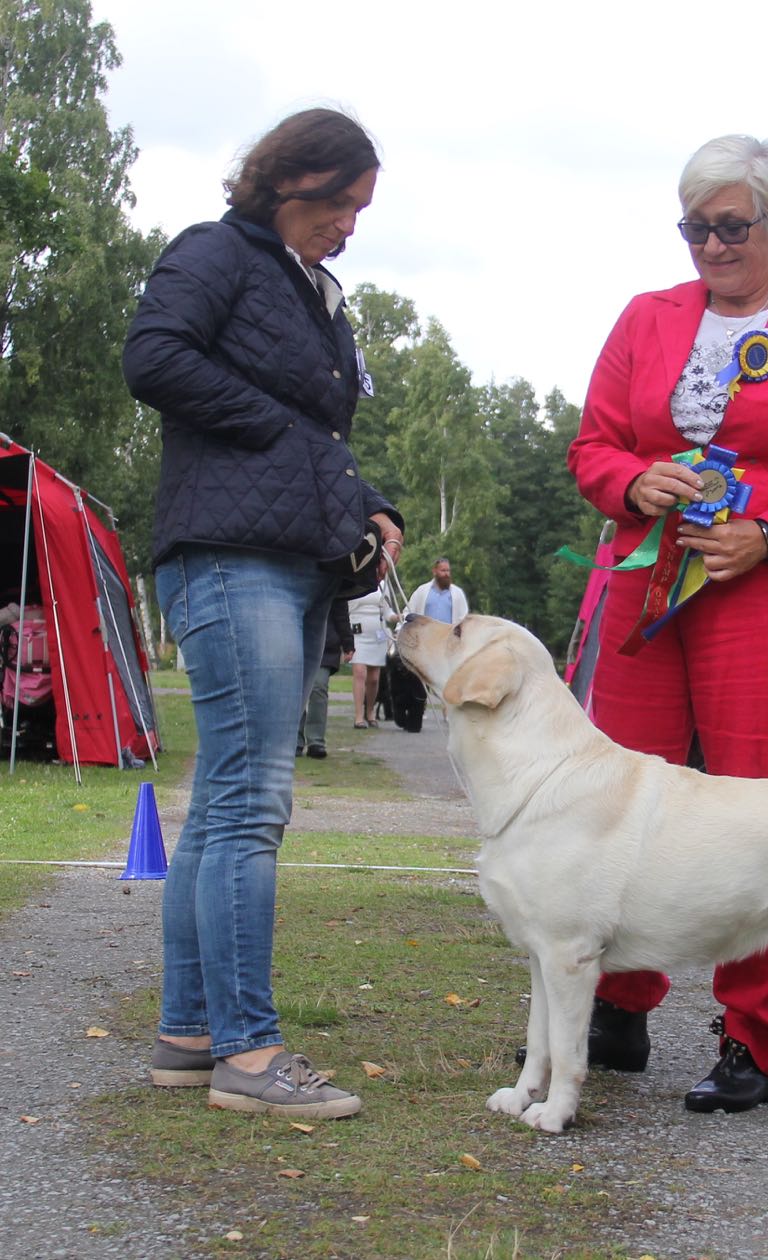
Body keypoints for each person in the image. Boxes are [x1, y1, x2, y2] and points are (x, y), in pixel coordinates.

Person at [565, 134, 768, 1113]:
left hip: (757, 593)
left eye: (730, 226)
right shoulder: (642, 319)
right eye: (693, 227)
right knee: (619, 805)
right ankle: (616, 1005)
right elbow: (592, 447)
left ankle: (752, 1040)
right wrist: (633, 479)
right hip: (642, 586)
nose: (709, 246)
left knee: (751, 819)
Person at [122, 108, 405, 1118]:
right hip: (229, 560)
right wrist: (281, 439)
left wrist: (369, 503)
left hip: (283, 560)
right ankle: (249, 1056)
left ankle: (189, 1035)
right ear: (295, 181)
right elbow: (153, 357)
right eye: (344, 205)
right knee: (249, 804)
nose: (351, 228)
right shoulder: (217, 253)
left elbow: (317, 437)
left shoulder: (312, 292)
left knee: (222, 804)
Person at [297, 599, 355, 758]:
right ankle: (295, 741)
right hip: (296, 636)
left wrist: (348, 642)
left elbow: (341, 611)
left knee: (318, 687)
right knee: (296, 690)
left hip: (325, 643)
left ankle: (316, 742)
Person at [348, 581, 398, 727]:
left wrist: (398, 617)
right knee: (359, 673)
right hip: (357, 632)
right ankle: (358, 716)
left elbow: (388, 613)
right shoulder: (354, 578)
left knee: (374, 678)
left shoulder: (383, 583)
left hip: (377, 634)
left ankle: (370, 711)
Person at [407, 556, 469, 624]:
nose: (446, 574)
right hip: (425, 633)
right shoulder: (422, 591)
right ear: (434, 571)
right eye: (443, 570)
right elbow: (409, 611)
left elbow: (464, 618)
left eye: (448, 570)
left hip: (448, 634)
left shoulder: (457, 593)